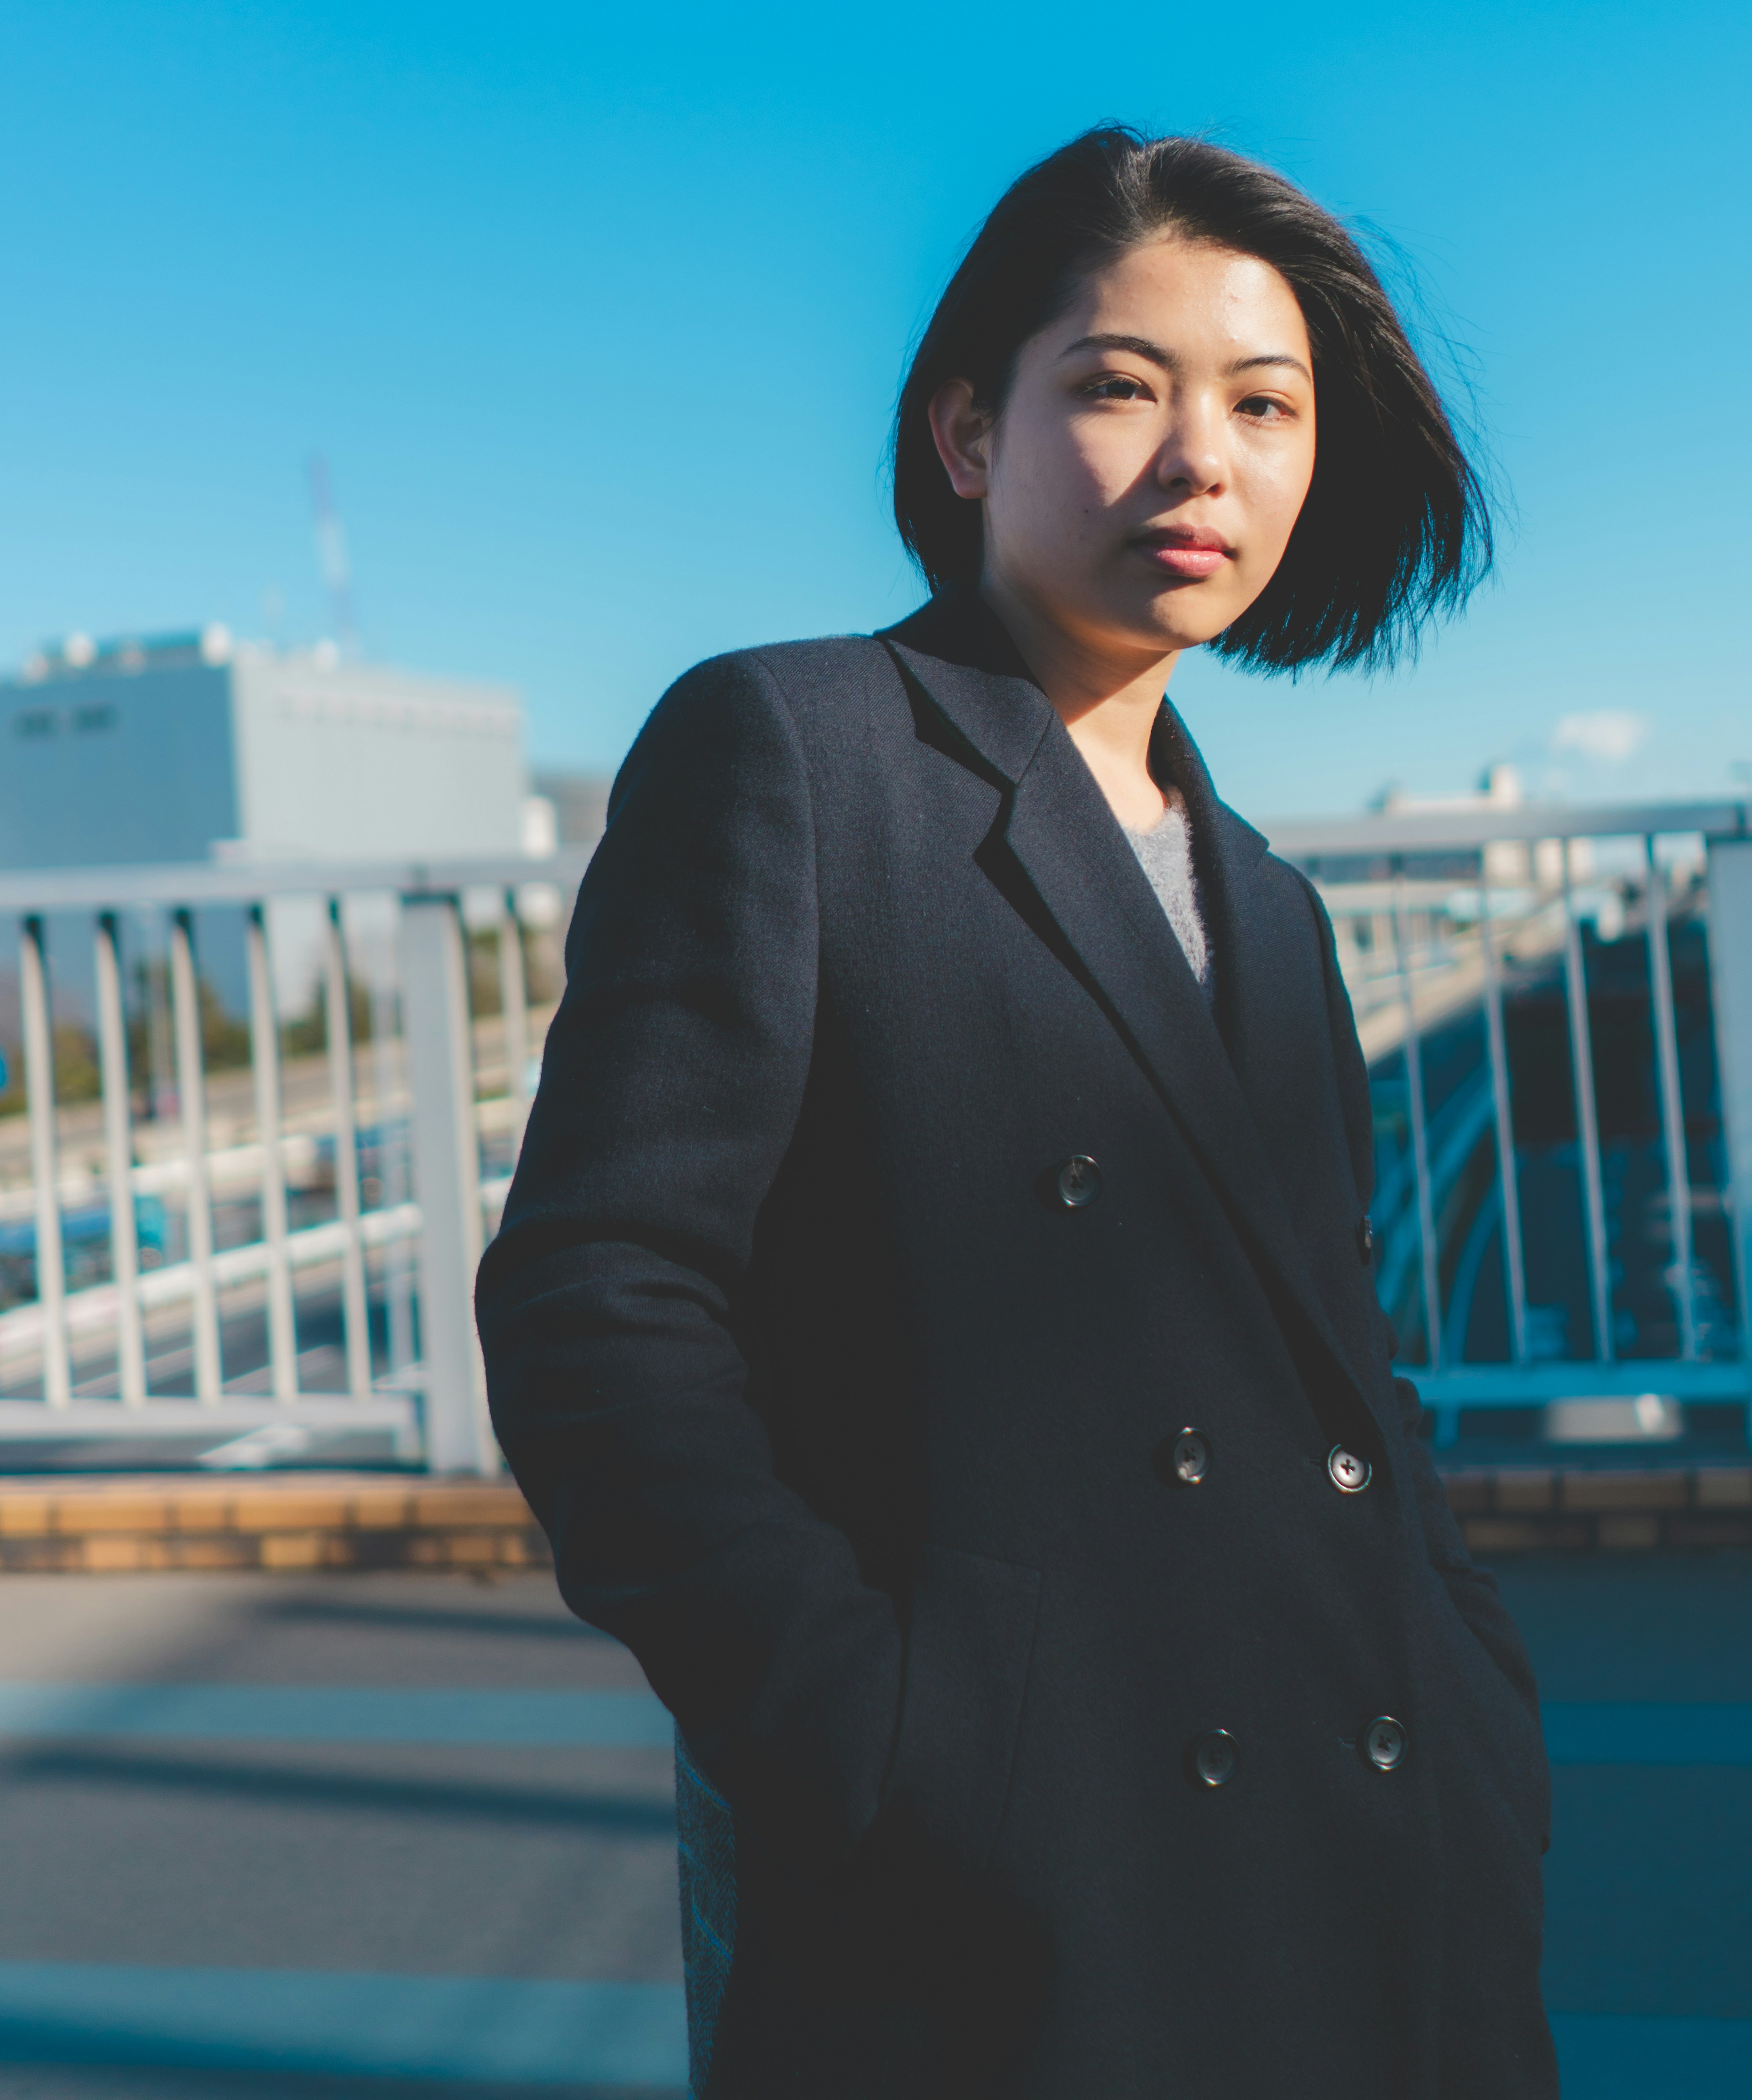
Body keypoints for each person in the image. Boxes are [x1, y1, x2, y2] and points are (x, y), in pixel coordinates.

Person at [476, 127, 1557, 2099]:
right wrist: (881, 1741)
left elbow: (1345, 1373)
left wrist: (1474, 1701)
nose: (1201, 459)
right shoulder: (796, 751)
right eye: (1118, 386)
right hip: (1002, 1878)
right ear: (968, 435)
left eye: (1263, 403)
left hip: (1363, 1822)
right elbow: (597, 1297)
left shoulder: (1281, 908)